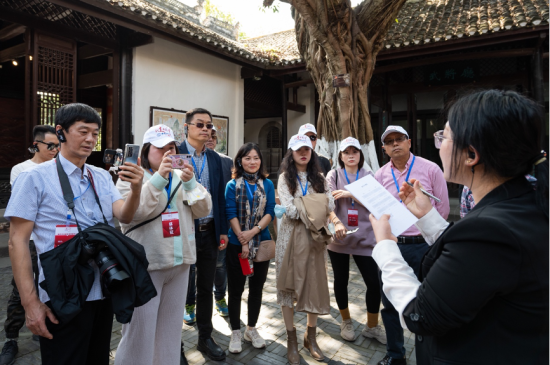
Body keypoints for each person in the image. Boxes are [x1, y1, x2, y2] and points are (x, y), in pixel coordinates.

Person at [370, 90, 549, 364]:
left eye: (444, 137)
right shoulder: (521, 205)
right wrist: (427, 216)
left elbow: (420, 315)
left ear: (471, 155)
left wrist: (384, 247)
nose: (438, 144)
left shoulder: (490, 231)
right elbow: (472, 262)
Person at [4, 103, 144, 365]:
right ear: (61, 132)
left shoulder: (101, 177)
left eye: (94, 133)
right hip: (61, 292)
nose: (90, 139)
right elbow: (17, 241)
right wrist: (30, 303)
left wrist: (135, 189)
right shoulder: (34, 179)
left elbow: (124, 215)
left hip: (102, 288)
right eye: (82, 131)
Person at [114, 125, 211, 365]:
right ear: (146, 151)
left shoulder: (183, 176)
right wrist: (159, 178)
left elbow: (203, 209)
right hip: (146, 267)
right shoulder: (131, 176)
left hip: (180, 264)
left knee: (169, 334)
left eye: (172, 147)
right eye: (161, 148)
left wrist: (190, 183)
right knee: (139, 334)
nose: (168, 153)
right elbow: (134, 214)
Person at [374, 125, 449, 365]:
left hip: (423, 245)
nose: (395, 144)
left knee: (429, 303)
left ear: (409, 142)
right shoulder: (381, 175)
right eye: (389, 141)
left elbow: (443, 208)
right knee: (389, 304)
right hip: (394, 246)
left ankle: (427, 356)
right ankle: (396, 355)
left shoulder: (430, 168)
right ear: (384, 149)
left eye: (399, 139)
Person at [0, 125, 59, 365]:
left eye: (58, 145)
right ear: (36, 145)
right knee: (20, 289)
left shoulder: (61, 168)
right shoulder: (22, 170)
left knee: (50, 285)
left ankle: (45, 324)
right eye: (51, 145)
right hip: (31, 240)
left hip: (55, 239)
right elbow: (25, 208)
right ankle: (11, 338)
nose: (56, 150)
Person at [276, 134, 335, 365]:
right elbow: (289, 209)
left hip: (314, 238)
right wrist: (314, 204)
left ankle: (310, 337)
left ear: (311, 152)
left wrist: (305, 204)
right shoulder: (283, 178)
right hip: (289, 238)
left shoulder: (320, 177)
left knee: (314, 284)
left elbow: (330, 204)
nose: (303, 153)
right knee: (286, 288)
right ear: (291, 152)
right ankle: (292, 340)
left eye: (307, 149)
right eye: (298, 149)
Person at [178, 108, 229, 362]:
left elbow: (219, 197)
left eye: (209, 125)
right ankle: (173, 343)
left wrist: (223, 232)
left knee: (205, 288)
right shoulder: (174, 153)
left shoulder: (215, 159)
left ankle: (205, 337)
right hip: (181, 233)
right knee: (176, 289)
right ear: (186, 127)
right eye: (200, 124)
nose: (206, 129)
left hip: (209, 232)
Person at [326, 137, 386, 343]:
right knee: (340, 281)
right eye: (346, 152)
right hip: (339, 237)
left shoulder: (369, 175)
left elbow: (376, 202)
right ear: (340, 156)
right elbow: (328, 202)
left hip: (366, 237)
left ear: (360, 155)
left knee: (373, 282)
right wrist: (336, 222)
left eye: (355, 152)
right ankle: (346, 321)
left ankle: (372, 326)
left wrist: (350, 193)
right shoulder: (333, 174)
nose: (351, 155)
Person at [224, 143, 275, 354]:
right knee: (236, 290)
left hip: (260, 243)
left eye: (256, 158)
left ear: (260, 160)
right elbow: (230, 212)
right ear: (239, 161)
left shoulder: (268, 184)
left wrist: (252, 233)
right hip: (236, 244)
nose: (252, 162)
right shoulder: (232, 185)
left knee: (256, 290)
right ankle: (235, 331)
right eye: (247, 158)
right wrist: (242, 239)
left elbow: (270, 211)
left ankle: (251, 329)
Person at [185, 127, 232, 323]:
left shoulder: (222, 160)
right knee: (189, 270)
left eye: (213, 136)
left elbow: (223, 197)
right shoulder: (178, 155)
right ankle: (189, 303)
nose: (209, 138)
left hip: (213, 226)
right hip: (188, 227)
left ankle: (219, 299)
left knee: (218, 267)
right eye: (206, 134)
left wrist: (223, 229)